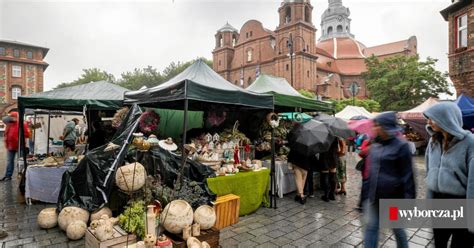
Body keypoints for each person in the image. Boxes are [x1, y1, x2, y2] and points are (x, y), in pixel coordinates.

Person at [423, 102, 474, 247]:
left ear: (447, 118)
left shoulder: (470, 143)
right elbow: (429, 172)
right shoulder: (433, 141)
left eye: (433, 118)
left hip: (461, 204)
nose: (429, 122)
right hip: (439, 204)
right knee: (439, 243)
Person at [364, 111, 415, 248]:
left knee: (398, 229)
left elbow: (408, 175)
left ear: (385, 126)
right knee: (371, 228)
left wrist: (409, 200)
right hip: (375, 198)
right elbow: (371, 172)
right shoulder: (375, 146)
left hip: (393, 200)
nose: (374, 128)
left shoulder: (402, 146)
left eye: (377, 125)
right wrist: (364, 195)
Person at [1, 112, 30, 181]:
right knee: (9, 161)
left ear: (17, 117)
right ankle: (8, 176)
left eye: (13, 116)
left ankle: (22, 175)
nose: (12, 118)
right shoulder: (9, 124)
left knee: (20, 161)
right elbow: (4, 120)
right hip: (10, 146)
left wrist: (19, 138)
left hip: (19, 146)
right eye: (11, 117)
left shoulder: (22, 124)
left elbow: (27, 134)